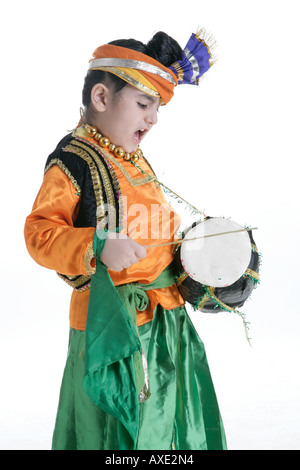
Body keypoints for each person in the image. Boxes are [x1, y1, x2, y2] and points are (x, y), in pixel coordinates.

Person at [24, 29, 227, 451]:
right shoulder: (74, 162)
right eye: (143, 104)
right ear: (101, 98)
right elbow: (40, 234)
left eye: (156, 109)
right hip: (112, 328)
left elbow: (154, 235)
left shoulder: (132, 157)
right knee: (119, 430)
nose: (152, 119)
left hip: (166, 319)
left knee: (170, 422)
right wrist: (97, 245)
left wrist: (196, 269)